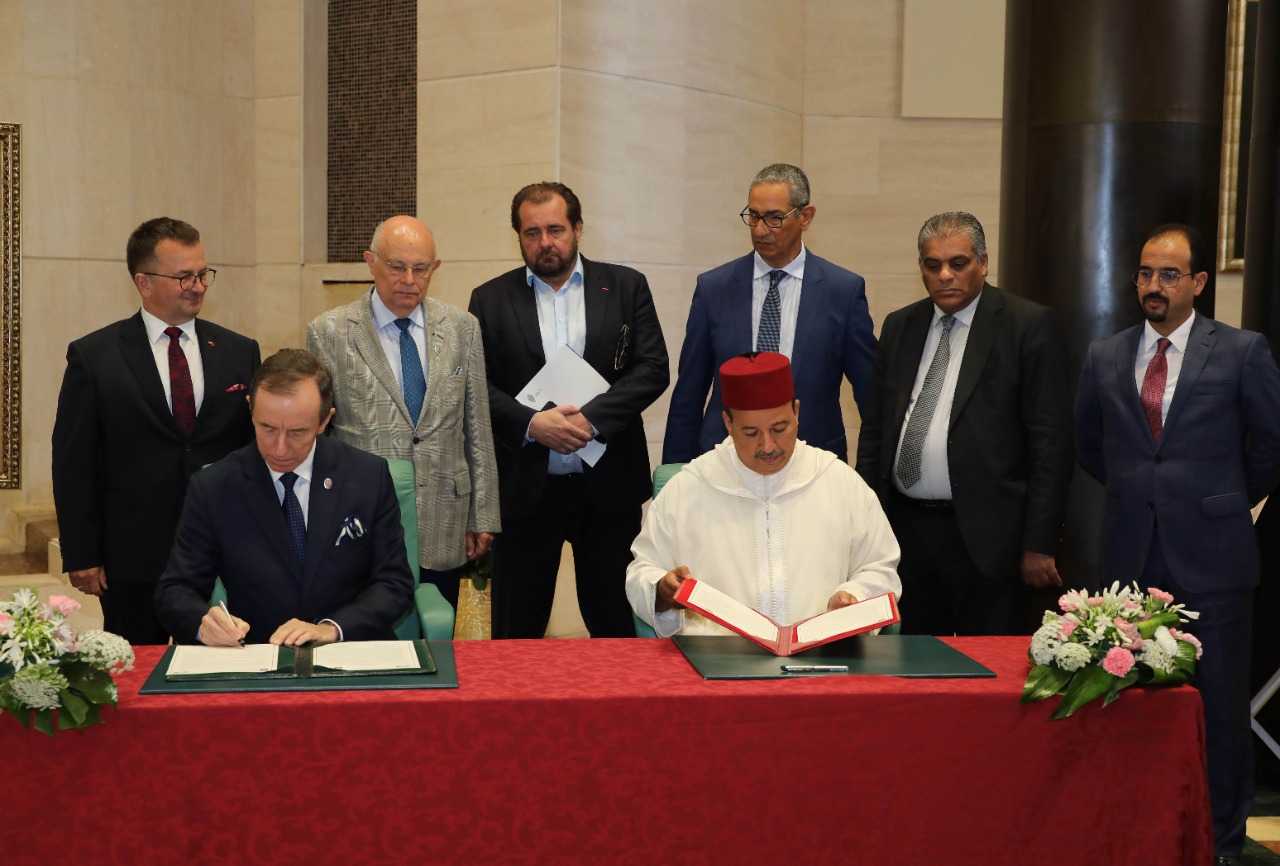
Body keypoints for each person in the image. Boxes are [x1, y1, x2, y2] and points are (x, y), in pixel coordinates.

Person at [1075, 223, 1280, 866]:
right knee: (1132, 709)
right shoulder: (1104, 355)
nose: (1154, 285)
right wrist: (1147, 496)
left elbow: (1271, 445)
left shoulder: (1243, 351)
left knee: (1218, 710)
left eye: (1169, 274)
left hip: (1214, 559)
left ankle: (1220, 842)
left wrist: (1219, 502)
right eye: (1144, 273)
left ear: (1198, 282)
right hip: (1130, 556)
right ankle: (1139, 831)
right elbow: (1091, 445)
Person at [855, 211, 1072, 636]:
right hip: (905, 533)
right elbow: (876, 432)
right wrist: (867, 525)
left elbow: (1051, 446)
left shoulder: (1026, 326)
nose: (945, 276)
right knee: (912, 671)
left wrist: (1039, 543)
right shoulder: (901, 325)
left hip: (987, 538)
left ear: (983, 263)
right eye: (932, 265)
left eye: (958, 263)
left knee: (986, 675)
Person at [468, 181, 669, 639]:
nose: (545, 243)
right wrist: (531, 424)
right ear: (518, 237)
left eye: (555, 230)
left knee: (615, 628)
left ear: (578, 229)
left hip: (608, 489)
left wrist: (592, 418)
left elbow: (653, 368)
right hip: (524, 491)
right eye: (531, 233)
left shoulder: (625, 286)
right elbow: (477, 384)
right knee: (516, 633)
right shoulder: (489, 299)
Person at [51, 217, 261, 645]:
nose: (198, 286)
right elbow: (74, 462)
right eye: (184, 277)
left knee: (217, 670)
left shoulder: (240, 351)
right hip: (132, 555)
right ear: (143, 282)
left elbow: (253, 448)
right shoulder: (95, 357)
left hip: (223, 548)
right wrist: (82, 553)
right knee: (136, 678)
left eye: (203, 274)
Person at [154, 349, 415, 646]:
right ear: (250, 409)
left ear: (324, 421)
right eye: (267, 428)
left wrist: (332, 629)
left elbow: (394, 583)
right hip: (258, 652)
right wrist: (204, 624)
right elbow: (176, 590)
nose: (279, 449)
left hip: (350, 647)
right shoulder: (213, 487)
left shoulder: (368, 475)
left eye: (297, 432)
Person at [628, 352, 900, 636]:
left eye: (779, 428)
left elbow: (880, 566)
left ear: (796, 412)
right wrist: (662, 590)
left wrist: (852, 596)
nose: (768, 445)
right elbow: (643, 570)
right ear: (728, 423)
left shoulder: (839, 482)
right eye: (750, 433)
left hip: (823, 659)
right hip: (717, 667)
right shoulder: (687, 490)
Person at [307, 215, 500, 610]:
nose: (409, 279)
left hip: (444, 515)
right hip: (361, 518)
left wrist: (483, 514)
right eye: (396, 267)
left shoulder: (463, 328)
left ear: (436, 268)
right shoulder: (328, 331)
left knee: (436, 634)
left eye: (421, 268)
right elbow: (318, 437)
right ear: (370, 262)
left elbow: (477, 427)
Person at [662, 163, 876, 464]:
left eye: (775, 218)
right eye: (754, 216)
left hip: (813, 461)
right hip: (724, 461)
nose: (761, 230)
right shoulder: (714, 288)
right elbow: (689, 393)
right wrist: (675, 473)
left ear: (805, 217)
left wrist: (869, 477)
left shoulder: (843, 291)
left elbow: (871, 397)